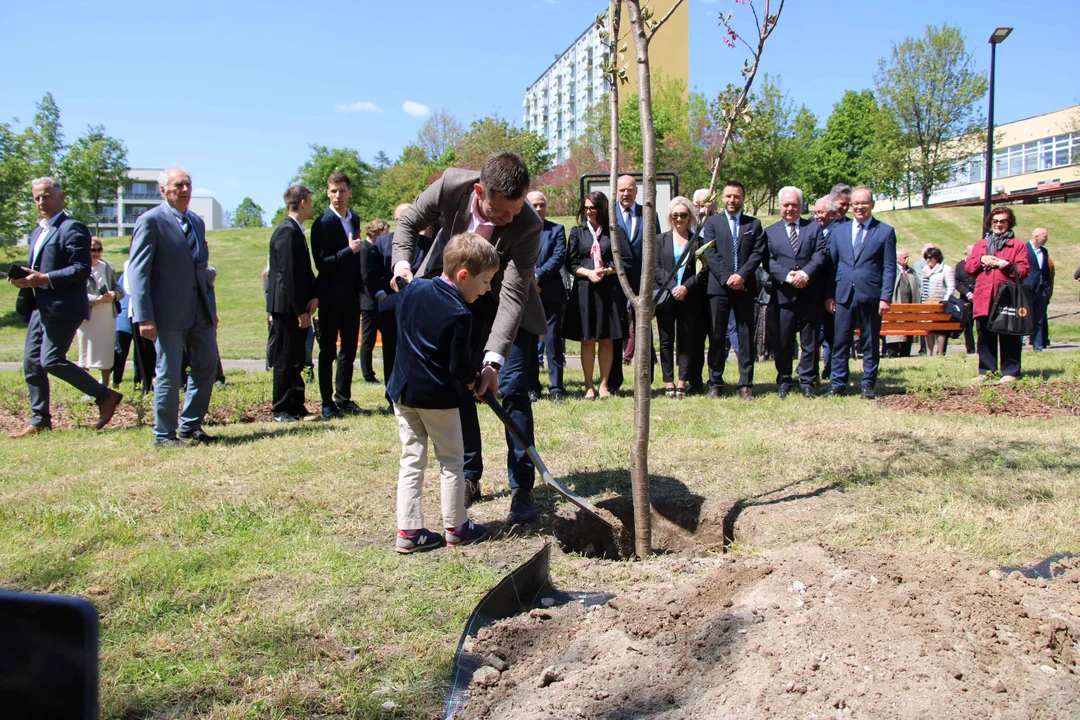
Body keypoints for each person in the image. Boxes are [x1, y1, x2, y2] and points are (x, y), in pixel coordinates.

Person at [391, 152, 544, 524]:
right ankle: (470, 475)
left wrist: (493, 361)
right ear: (479, 191)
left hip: (506, 308)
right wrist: (402, 265)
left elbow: (512, 294)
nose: (509, 219)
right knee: (459, 388)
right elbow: (409, 220)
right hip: (452, 299)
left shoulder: (527, 224)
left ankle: (522, 486)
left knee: (512, 390)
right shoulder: (451, 185)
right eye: (500, 211)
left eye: (516, 209)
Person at [389, 233, 497, 553]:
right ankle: (457, 526)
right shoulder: (460, 314)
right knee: (451, 460)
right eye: (486, 281)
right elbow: (460, 369)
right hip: (437, 399)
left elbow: (395, 313)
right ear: (463, 276)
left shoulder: (415, 288)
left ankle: (408, 531)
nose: (487, 289)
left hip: (403, 392)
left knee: (412, 459)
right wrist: (474, 379)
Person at [7, 176, 123, 438]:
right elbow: (38, 268)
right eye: (37, 197)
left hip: (64, 306)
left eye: (46, 196)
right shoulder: (38, 232)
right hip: (40, 305)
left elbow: (81, 269)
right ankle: (40, 420)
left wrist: (44, 279)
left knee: (50, 360)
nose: (41, 202)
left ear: (61, 197)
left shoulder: (73, 228)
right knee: (31, 364)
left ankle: (105, 396)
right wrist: (24, 279)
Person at [127, 167, 218, 447]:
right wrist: (144, 316)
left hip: (200, 309)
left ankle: (190, 426)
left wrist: (211, 309)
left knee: (207, 365)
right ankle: (164, 435)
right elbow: (138, 271)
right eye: (178, 185)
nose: (185, 189)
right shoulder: (151, 221)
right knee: (169, 371)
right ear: (163, 190)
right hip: (166, 312)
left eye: (188, 184)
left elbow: (200, 268)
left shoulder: (196, 222)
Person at [824, 185, 897, 400]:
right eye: (856, 203)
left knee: (870, 341)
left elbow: (889, 268)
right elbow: (831, 266)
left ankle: (868, 384)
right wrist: (829, 295)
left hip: (871, 295)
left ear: (872, 205)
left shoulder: (884, 232)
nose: (859, 207)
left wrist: (885, 297)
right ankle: (838, 383)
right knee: (840, 341)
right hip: (843, 294)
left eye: (864, 203)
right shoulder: (840, 231)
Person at [701, 180, 765, 400]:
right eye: (728, 196)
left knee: (746, 336)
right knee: (717, 336)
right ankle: (715, 383)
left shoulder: (753, 224)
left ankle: (745, 384)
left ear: (743, 198)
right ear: (722, 198)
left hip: (745, 287)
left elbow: (757, 253)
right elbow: (710, 253)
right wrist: (728, 277)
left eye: (736, 196)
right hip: (718, 288)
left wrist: (741, 276)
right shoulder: (712, 223)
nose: (732, 200)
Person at [564, 191, 632, 400]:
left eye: (592, 208)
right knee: (587, 339)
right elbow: (571, 262)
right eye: (585, 208)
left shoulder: (614, 232)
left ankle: (604, 385)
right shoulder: (578, 232)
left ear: (601, 209)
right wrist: (589, 273)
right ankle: (588, 386)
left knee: (606, 339)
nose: (588, 212)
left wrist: (606, 271)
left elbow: (626, 260)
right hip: (584, 290)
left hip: (609, 290)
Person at [762, 187, 827, 398]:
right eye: (786, 205)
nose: (790, 208)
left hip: (809, 294)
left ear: (801, 205)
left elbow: (820, 254)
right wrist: (789, 277)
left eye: (794, 204)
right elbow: (768, 261)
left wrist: (805, 274)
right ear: (780, 206)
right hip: (783, 295)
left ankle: (807, 380)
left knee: (809, 341)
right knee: (783, 340)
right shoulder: (770, 232)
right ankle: (784, 379)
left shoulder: (814, 228)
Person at [310, 171, 365, 419]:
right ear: (327, 192)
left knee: (349, 350)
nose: (337, 196)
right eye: (333, 191)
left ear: (349, 192)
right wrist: (348, 251)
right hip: (331, 296)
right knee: (328, 351)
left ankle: (344, 397)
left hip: (352, 295)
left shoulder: (354, 219)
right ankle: (327, 402)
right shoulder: (321, 224)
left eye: (342, 191)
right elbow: (322, 263)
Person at [267, 186, 319, 423]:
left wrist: (313, 296)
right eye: (310, 201)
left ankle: (296, 405)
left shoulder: (296, 231)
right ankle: (281, 409)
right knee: (285, 358)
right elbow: (287, 276)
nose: (312, 205)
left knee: (297, 357)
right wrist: (299, 310)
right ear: (302, 202)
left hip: (297, 307)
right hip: (287, 308)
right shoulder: (286, 232)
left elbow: (303, 271)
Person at [965, 207, 1029, 383]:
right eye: (995, 221)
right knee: (985, 336)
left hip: (1007, 295)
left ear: (1009, 223)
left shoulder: (1018, 245)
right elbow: (969, 269)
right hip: (984, 295)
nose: (998, 224)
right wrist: (981, 260)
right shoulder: (981, 245)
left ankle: (1011, 371)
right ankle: (987, 371)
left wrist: (1004, 264)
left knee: (1009, 334)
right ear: (990, 223)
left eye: (1002, 221)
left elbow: (1023, 271)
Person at [613, 175, 662, 387]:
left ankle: (646, 379)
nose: (626, 194)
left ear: (636, 191)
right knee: (616, 330)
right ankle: (614, 380)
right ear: (616, 191)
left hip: (643, 280)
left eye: (630, 190)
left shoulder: (649, 214)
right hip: (615, 280)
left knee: (644, 329)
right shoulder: (609, 214)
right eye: (622, 190)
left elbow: (657, 246)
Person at [654, 196, 700, 399]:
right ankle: (668, 381)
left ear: (689, 216)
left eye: (683, 215)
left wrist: (686, 287)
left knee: (686, 339)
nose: (679, 219)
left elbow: (703, 271)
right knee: (666, 341)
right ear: (670, 217)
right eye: (675, 215)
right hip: (666, 296)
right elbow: (656, 268)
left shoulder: (697, 240)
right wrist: (673, 287)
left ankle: (682, 381)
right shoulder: (659, 239)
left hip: (689, 297)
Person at [526, 191, 567, 403]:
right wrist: (529, 281)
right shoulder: (520, 229)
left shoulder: (556, 230)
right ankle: (533, 387)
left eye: (542, 204)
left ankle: (556, 388)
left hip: (551, 294)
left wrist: (537, 276)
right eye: (534, 204)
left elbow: (558, 257)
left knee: (552, 342)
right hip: (527, 296)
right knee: (531, 344)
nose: (539, 208)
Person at [77, 237, 123, 387]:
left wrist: (113, 295)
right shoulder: (80, 268)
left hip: (107, 315)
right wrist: (96, 299)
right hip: (88, 314)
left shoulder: (107, 267)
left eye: (99, 250)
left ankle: (105, 386)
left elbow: (119, 290)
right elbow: (77, 294)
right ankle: (86, 387)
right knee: (85, 350)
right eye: (92, 250)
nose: (95, 253)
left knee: (106, 350)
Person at [686, 188, 716, 395]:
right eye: (697, 204)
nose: (701, 207)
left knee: (716, 335)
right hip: (693, 290)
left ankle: (715, 380)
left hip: (716, 288)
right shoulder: (688, 229)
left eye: (706, 203)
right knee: (694, 338)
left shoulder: (720, 225)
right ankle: (694, 380)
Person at [919, 247, 956, 356]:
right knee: (929, 330)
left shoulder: (946, 269)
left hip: (939, 302)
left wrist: (944, 301)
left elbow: (951, 288)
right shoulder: (925, 269)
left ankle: (940, 353)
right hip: (926, 302)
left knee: (940, 329)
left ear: (937, 258)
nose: (928, 260)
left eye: (930, 258)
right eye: (926, 258)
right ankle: (929, 353)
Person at [884, 249, 920, 358]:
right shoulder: (892, 271)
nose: (907, 259)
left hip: (909, 306)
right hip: (896, 306)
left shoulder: (911, 271)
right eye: (904, 257)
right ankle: (893, 353)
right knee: (895, 330)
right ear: (897, 258)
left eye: (907, 257)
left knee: (908, 329)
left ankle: (905, 353)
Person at [1025, 228, 1053, 352]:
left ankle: (1038, 347)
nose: (1046, 239)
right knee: (1023, 317)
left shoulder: (1044, 252)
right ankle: (1019, 344)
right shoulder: (1024, 249)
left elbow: (1045, 271)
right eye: (1045, 236)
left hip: (1041, 291)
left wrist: (1047, 289)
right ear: (1036, 236)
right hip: (1027, 289)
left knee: (1039, 319)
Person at [953, 244, 977, 354]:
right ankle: (970, 349)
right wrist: (967, 293)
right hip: (966, 299)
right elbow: (957, 283)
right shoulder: (960, 265)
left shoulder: (980, 265)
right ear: (966, 253)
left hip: (978, 298)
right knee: (968, 325)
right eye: (971, 252)